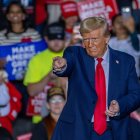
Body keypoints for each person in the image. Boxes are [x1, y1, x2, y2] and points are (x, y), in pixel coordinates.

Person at [52, 17, 140, 140]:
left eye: (94, 39)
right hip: (79, 130)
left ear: (106, 38)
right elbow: (67, 64)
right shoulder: (75, 54)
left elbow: (136, 94)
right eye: (86, 39)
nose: (89, 44)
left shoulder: (126, 61)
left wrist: (120, 105)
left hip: (113, 131)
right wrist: (61, 65)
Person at [24, 22, 67, 123]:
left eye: (59, 38)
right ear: (46, 39)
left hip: (68, 118)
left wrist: (62, 78)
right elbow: (31, 92)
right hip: (41, 119)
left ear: (65, 39)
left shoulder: (73, 57)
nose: (56, 42)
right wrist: (48, 76)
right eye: (52, 38)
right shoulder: (36, 60)